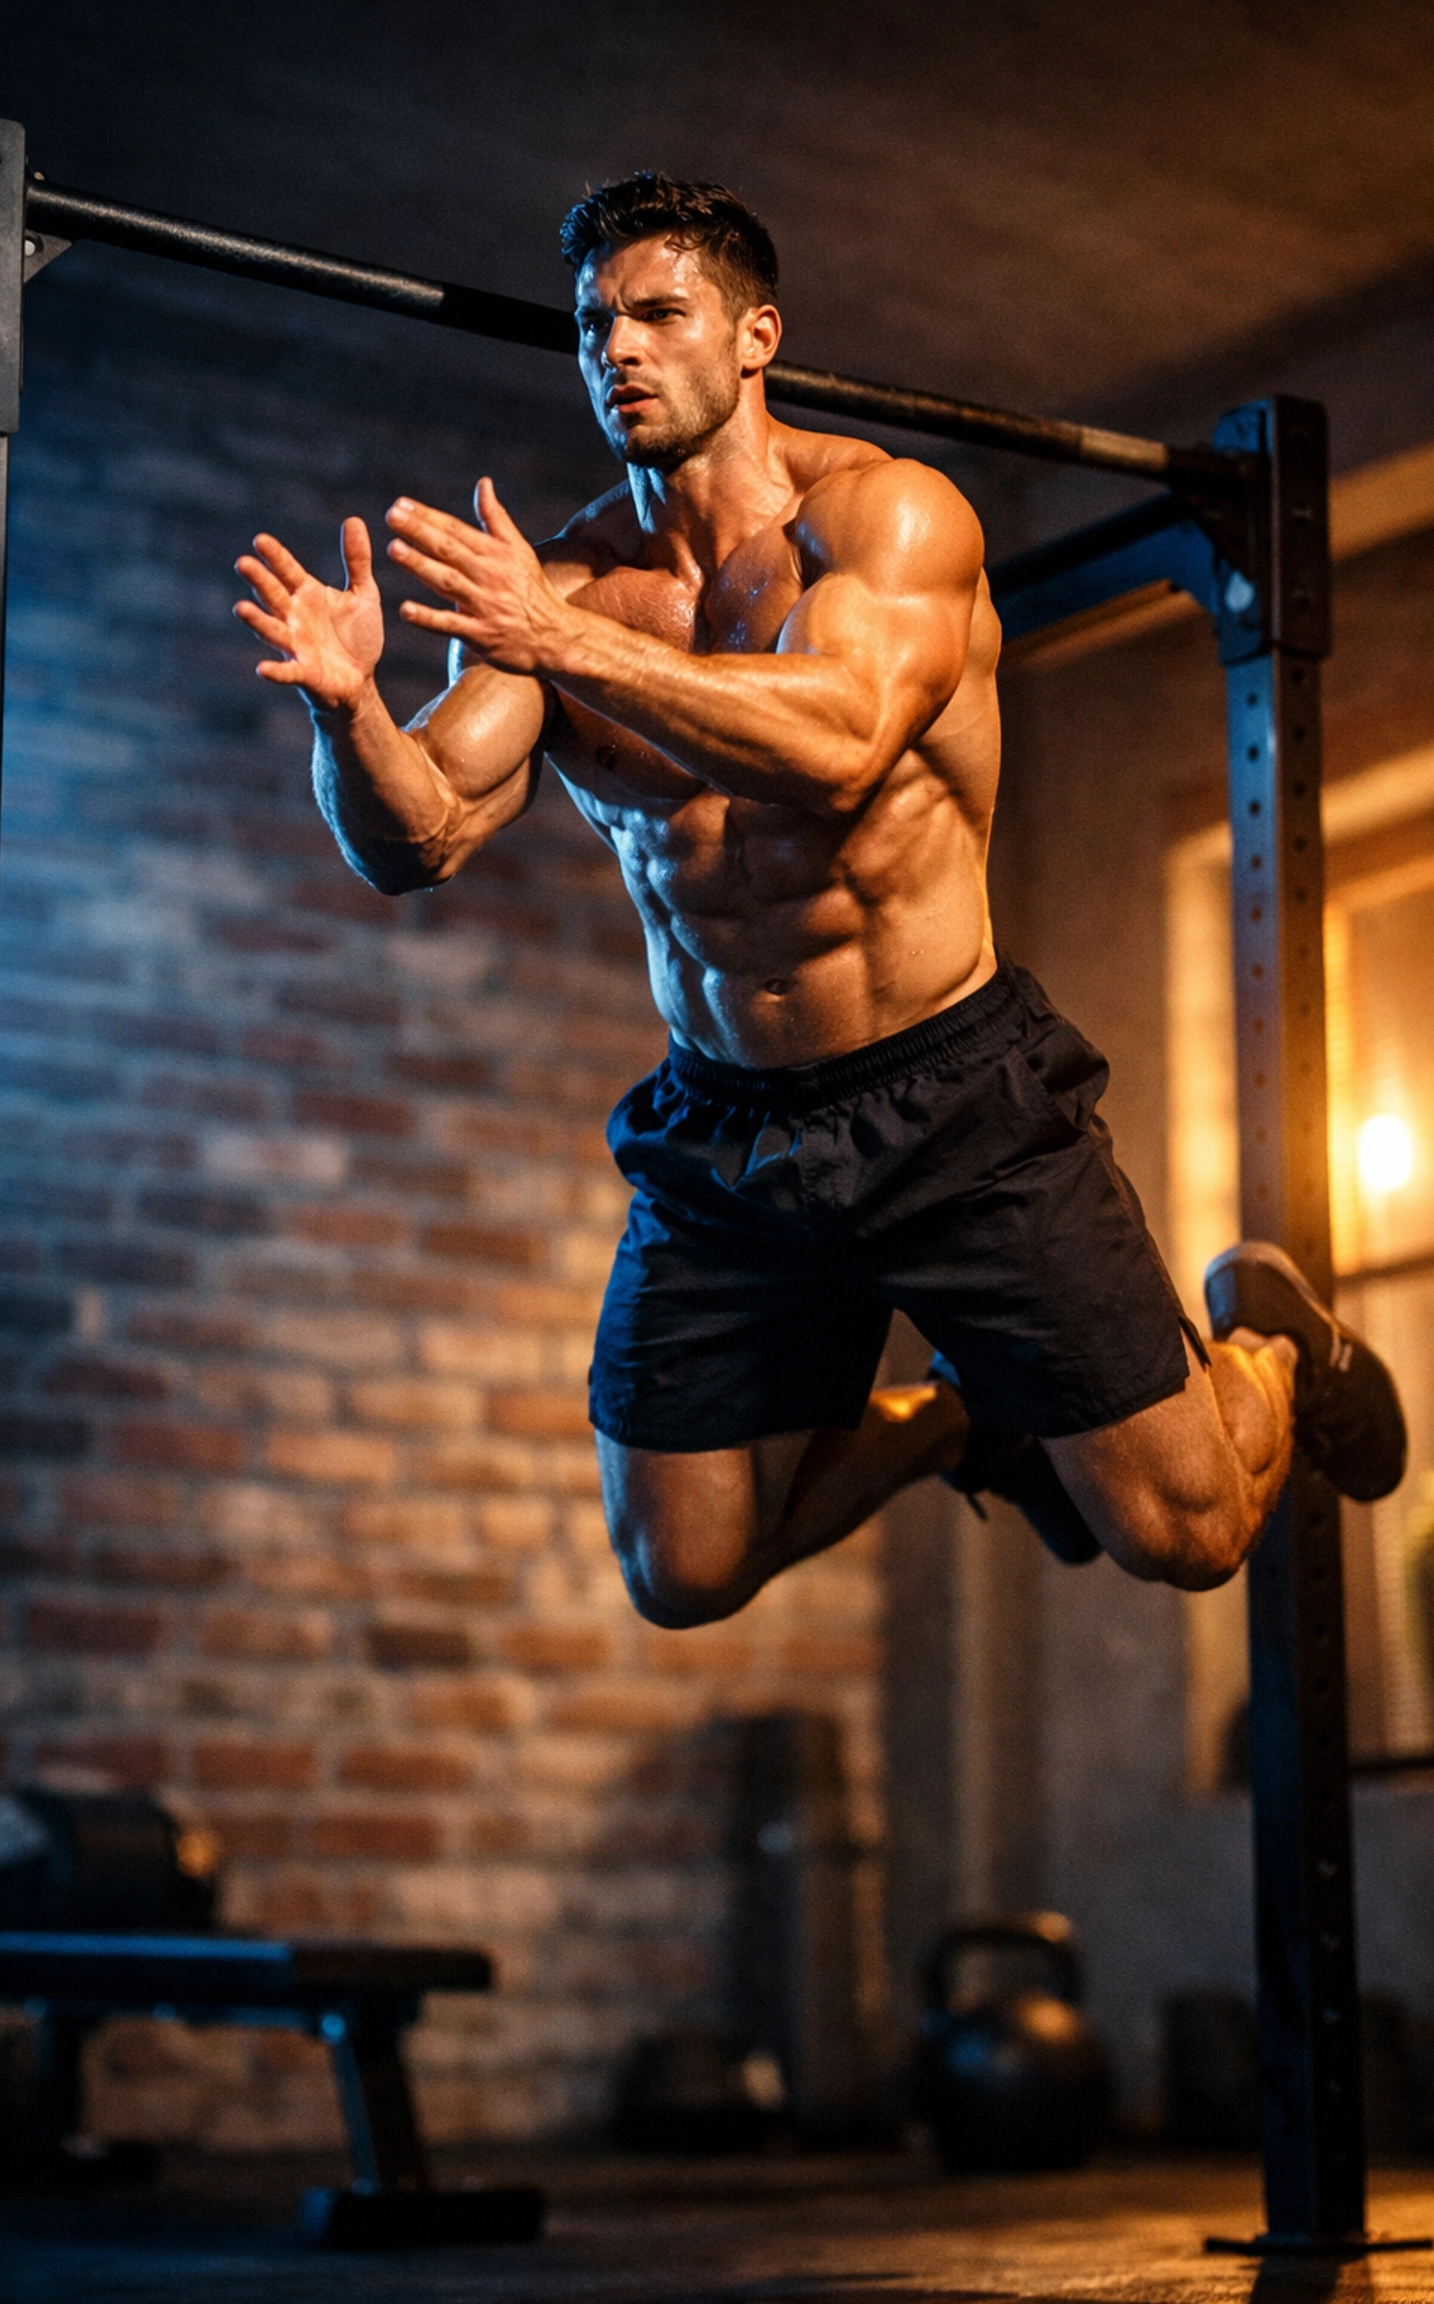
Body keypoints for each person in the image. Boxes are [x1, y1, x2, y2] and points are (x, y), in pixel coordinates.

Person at [234, 172, 1405, 1628]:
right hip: (727, 1126)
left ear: (754, 338)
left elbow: (841, 736)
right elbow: (420, 836)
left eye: (661, 314)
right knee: (685, 1569)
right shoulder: (568, 589)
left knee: (1189, 1531)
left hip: (952, 1103)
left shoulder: (887, 522)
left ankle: (1271, 1344)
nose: (620, 348)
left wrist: (552, 640)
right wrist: (347, 715)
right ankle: (958, 1421)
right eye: (595, 321)